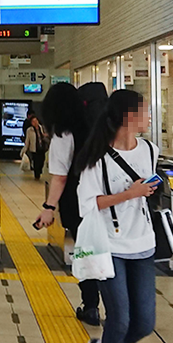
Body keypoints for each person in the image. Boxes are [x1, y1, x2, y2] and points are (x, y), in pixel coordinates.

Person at [76, 90, 158, 343]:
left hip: (143, 243)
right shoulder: (97, 157)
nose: (150, 117)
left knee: (144, 323)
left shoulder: (149, 150)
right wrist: (130, 193)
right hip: (109, 245)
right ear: (128, 116)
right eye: (145, 112)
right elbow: (87, 204)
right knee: (120, 320)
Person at [35, 83, 100, 326]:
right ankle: (118, 304)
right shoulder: (99, 126)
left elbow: (60, 176)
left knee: (86, 252)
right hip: (105, 199)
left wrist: (49, 208)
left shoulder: (64, 133)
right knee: (108, 251)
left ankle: (91, 305)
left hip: (78, 201)